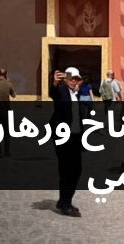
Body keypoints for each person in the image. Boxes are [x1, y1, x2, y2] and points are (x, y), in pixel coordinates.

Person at [49, 67, 85, 217]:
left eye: (76, 79)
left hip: (75, 138)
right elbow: (54, 93)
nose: (74, 81)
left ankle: (64, 200)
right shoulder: (62, 91)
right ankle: (65, 203)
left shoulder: (74, 93)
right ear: (65, 79)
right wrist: (54, 83)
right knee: (67, 170)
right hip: (64, 138)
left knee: (76, 169)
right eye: (71, 78)